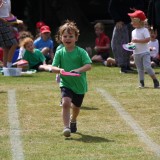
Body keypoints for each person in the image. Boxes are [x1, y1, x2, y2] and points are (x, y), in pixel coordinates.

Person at [50, 20, 92, 137]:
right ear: (60, 38)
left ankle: (73, 120)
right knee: (66, 102)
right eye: (65, 36)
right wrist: (60, 70)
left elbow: (88, 65)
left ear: (76, 38)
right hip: (66, 82)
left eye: (71, 36)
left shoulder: (81, 52)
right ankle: (66, 127)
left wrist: (78, 70)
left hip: (79, 85)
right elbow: (53, 67)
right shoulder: (60, 52)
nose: (67, 38)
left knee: (76, 107)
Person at [108, 0, 144, 73]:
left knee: (130, 45)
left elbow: (140, 4)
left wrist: (136, 10)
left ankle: (127, 65)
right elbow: (111, 8)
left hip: (131, 22)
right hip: (121, 23)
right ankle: (123, 67)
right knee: (120, 45)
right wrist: (117, 20)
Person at [128, 10, 160, 88]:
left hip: (144, 52)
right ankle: (141, 83)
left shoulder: (144, 30)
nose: (131, 22)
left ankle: (155, 81)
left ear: (138, 21)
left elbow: (147, 40)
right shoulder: (133, 31)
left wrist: (136, 41)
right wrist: (130, 45)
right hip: (136, 53)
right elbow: (133, 42)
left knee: (147, 67)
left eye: (133, 20)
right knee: (139, 69)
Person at [0, 0, 23, 68]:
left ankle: (5, 68)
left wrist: (16, 20)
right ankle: (9, 64)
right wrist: (3, 20)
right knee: (14, 43)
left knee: (6, 47)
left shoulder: (8, 0)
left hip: (6, 23)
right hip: (1, 23)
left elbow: (9, 14)